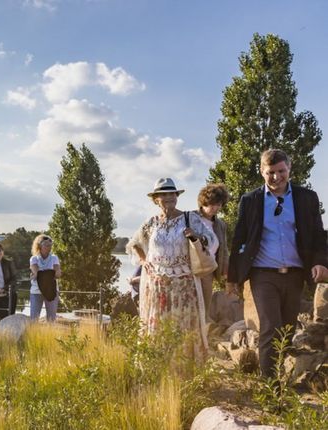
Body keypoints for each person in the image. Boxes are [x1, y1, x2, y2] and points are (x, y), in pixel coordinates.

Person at [227, 149, 328, 378]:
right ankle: (270, 387)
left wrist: (321, 262)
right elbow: (239, 239)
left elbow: (318, 235)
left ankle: (281, 379)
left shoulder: (306, 198)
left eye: (281, 171)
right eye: (270, 172)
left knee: (286, 330)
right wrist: (233, 278)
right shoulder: (250, 200)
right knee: (270, 327)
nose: (276, 177)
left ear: (289, 169)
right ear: (262, 171)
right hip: (263, 273)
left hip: (294, 273)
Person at [127, 178, 215, 363]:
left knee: (183, 326)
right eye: (163, 194)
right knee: (159, 325)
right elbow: (134, 243)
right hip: (157, 285)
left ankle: (184, 370)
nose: (168, 197)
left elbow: (211, 240)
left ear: (177, 196)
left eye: (171, 194)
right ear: (156, 199)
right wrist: (144, 262)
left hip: (184, 284)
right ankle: (158, 367)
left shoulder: (190, 218)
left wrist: (195, 236)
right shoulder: (151, 223)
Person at [193, 183, 231, 320]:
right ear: (204, 202)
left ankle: (204, 337)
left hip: (209, 269)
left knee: (205, 308)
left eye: (219, 204)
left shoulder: (220, 225)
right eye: (213, 204)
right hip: (190, 270)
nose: (216, 208)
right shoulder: (191, 218)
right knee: (191, 306)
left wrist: (227, 274)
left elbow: (224, 250)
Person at [29, 234, 61, 322]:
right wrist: (49, 273)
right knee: (34, 319)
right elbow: (35, 273)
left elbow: (58, 273)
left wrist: (43, 273)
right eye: (46, 245)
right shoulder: (34, 259)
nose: (49, 247)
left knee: (51, 319)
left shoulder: (54, 258)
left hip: (52, 290)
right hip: (36, 291)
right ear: (40, 246)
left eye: (50, 245)